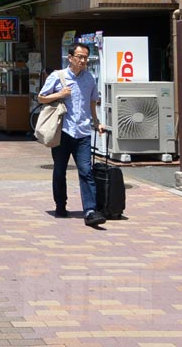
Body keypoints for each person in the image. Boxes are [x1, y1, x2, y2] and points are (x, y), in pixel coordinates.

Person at [38, 42, 106, 226]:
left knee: (86, 171)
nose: (83, 61)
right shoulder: (57, 76)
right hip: (63, 132)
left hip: (83, 132)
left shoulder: (89, 79)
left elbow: (92, 103)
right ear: (70, 58)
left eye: (85, 57)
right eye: (80, 57)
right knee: (60, 171)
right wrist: (60, 94)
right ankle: (60, 205)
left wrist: (97, 122)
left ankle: (90, 211)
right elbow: (41, 97)